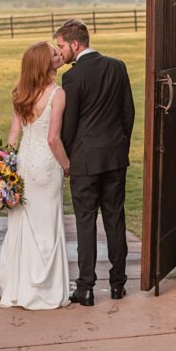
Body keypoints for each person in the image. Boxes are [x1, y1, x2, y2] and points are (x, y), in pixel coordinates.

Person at [54, 19, 135, 306]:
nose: (59, 52)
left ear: (75, 44)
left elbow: (69, 125)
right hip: (115, 157)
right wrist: (120, 147)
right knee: (115, 219)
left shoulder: (73, 78)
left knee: (85, 222)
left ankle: (85, 288)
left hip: (85, 160)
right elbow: (129, 113)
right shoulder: (118, 66)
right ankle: (117, 284)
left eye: (61, 46)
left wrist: (67, 158)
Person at [0, 41, 71, 310]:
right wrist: (67, 165)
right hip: (47, 166)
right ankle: (44, 289)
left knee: (22, 222)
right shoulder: (57, 93)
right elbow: (53, 139)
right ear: (43, 63)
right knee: (47, 223)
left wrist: (5, 168)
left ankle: (18, 288)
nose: (57, 55)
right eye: (54, 54)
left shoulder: (20, 93)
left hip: (23, 163)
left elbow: (14, 135)